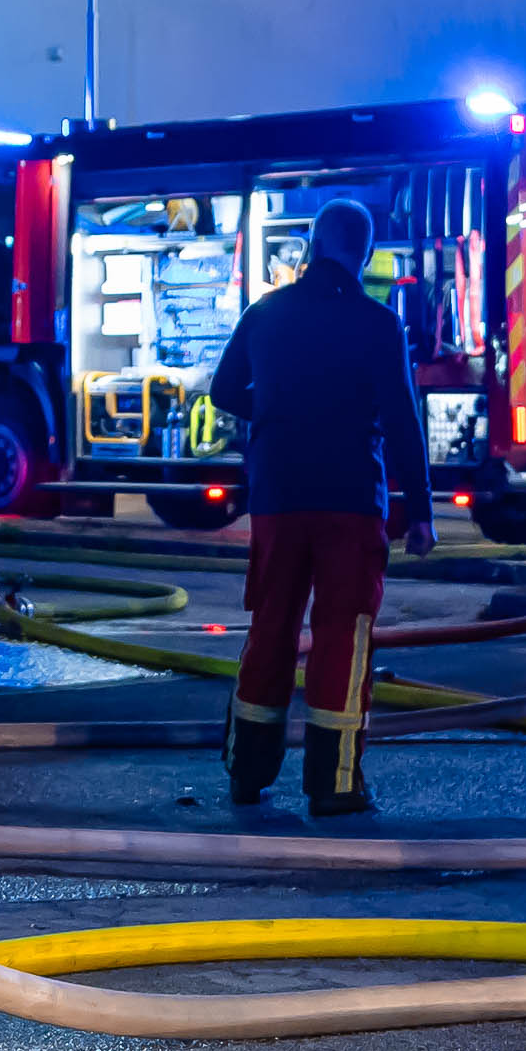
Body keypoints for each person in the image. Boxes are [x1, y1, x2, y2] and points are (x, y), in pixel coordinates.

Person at [206, 198, 435, 816]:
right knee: (343, 634)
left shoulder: (265, 313)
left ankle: (246, 772)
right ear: (364, 254)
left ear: (311, 242)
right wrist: (421, 513)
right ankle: (333, 785)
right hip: (350, 500)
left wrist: (279, 414)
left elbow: (222, 388)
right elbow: (403, 423)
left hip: (278, 496)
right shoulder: (378, 324)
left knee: (271, 627)